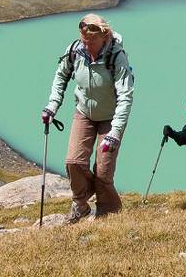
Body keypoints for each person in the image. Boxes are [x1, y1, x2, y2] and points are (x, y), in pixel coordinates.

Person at [41, 13, 134, 222]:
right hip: (84, 113)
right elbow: (61, 76)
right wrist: (52, 106)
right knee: (73, 162)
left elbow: (125, 96)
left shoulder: (116, 57)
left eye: (91, 42)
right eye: (84, 40)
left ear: (103, 37)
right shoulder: (75, 51)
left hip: (110, 118)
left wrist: (115, 133)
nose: (87, 45)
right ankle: (80, 206)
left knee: (103, 172)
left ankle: (108, 215)